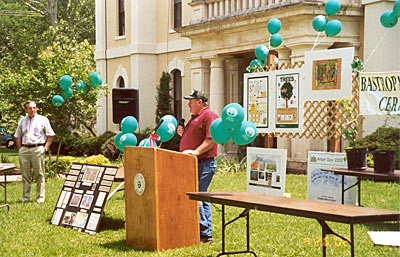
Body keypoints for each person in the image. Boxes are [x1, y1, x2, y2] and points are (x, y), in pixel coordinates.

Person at [177, 89, 218, 244]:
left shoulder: (209, 116)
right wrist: (183, 132)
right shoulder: (196, 117)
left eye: (191, 101)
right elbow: (195, 135)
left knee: (196, 196)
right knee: (201, 197)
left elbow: (211, 138)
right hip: (195, 163)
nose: (188, 104)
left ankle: (204, 234)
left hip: (204, 163)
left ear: (200, 102)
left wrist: (195, 151)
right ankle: (206, 233)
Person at [14, 100, 55, 203]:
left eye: (34, 108)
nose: (32, 110)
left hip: (38, 148)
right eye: (30, 108)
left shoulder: (43, 120)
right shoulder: (22, 121)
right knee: (25, 175)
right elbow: (17, 136)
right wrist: (20, 149)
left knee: (39, 174)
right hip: (24, 149)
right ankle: (26, 198)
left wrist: (45, 148)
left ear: (36, 108)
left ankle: (40, 198)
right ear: (26, 109)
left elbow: (50, 135)